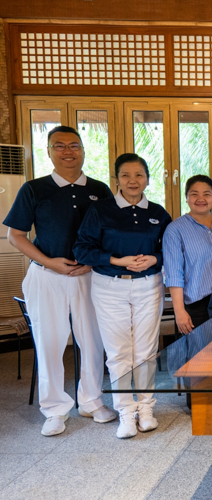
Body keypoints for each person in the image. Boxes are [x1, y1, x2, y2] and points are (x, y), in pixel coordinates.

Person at [4, 125, 117, 436]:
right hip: (47, 276)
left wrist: (94, 260)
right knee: (49, 342)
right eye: (60, 146)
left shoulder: (99, 189)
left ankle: (92, 401)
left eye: (74, 145)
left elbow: (111, 232)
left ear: (83, 150)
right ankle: (54, 409)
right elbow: (16, 236)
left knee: (93, 340)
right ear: (50, 151)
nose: (68, 151)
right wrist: (48, 261)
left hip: (88, 276)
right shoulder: (34, 189)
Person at [74, 153, 172, 439]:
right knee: (118, 353)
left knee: (145, 352)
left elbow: (171, 251)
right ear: (116, 179)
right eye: (126, 175)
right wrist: (116, 260)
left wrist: (154, 259)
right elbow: (82, 250)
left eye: (139, 175)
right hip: (109, 285)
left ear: (148, 179)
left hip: (148, 285)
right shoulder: (100, 210)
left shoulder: (158, 212)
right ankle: (126, 413)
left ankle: (146, 409)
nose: (133, 181)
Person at [163, 175, 212, 333]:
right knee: (198, 356)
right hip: (196, 307)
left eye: (206, 194)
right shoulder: (175, 229)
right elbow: (174, 274)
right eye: (194, 194)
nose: (201, 199)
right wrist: (179, 312)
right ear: (186, 198)